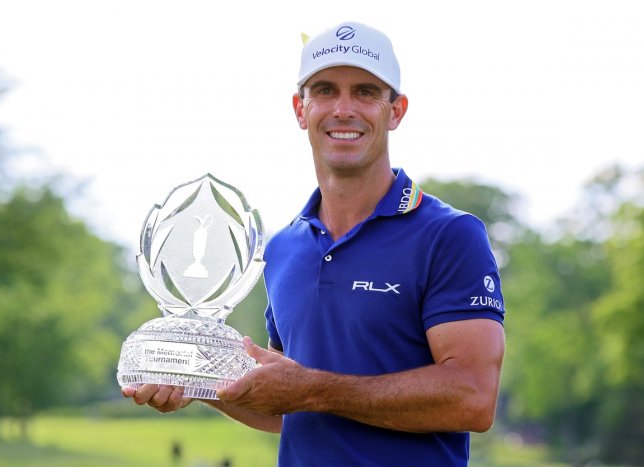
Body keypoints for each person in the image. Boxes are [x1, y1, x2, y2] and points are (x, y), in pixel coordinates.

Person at [122, 21, 505, 466]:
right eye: (324, 91)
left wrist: (311, 390)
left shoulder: (450, 235)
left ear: (396, 111)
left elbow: (473, 398)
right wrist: (198, 381)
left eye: (365, 92)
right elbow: (285, 408)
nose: (343, 109)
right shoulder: (282, 248)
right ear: (300, 109)